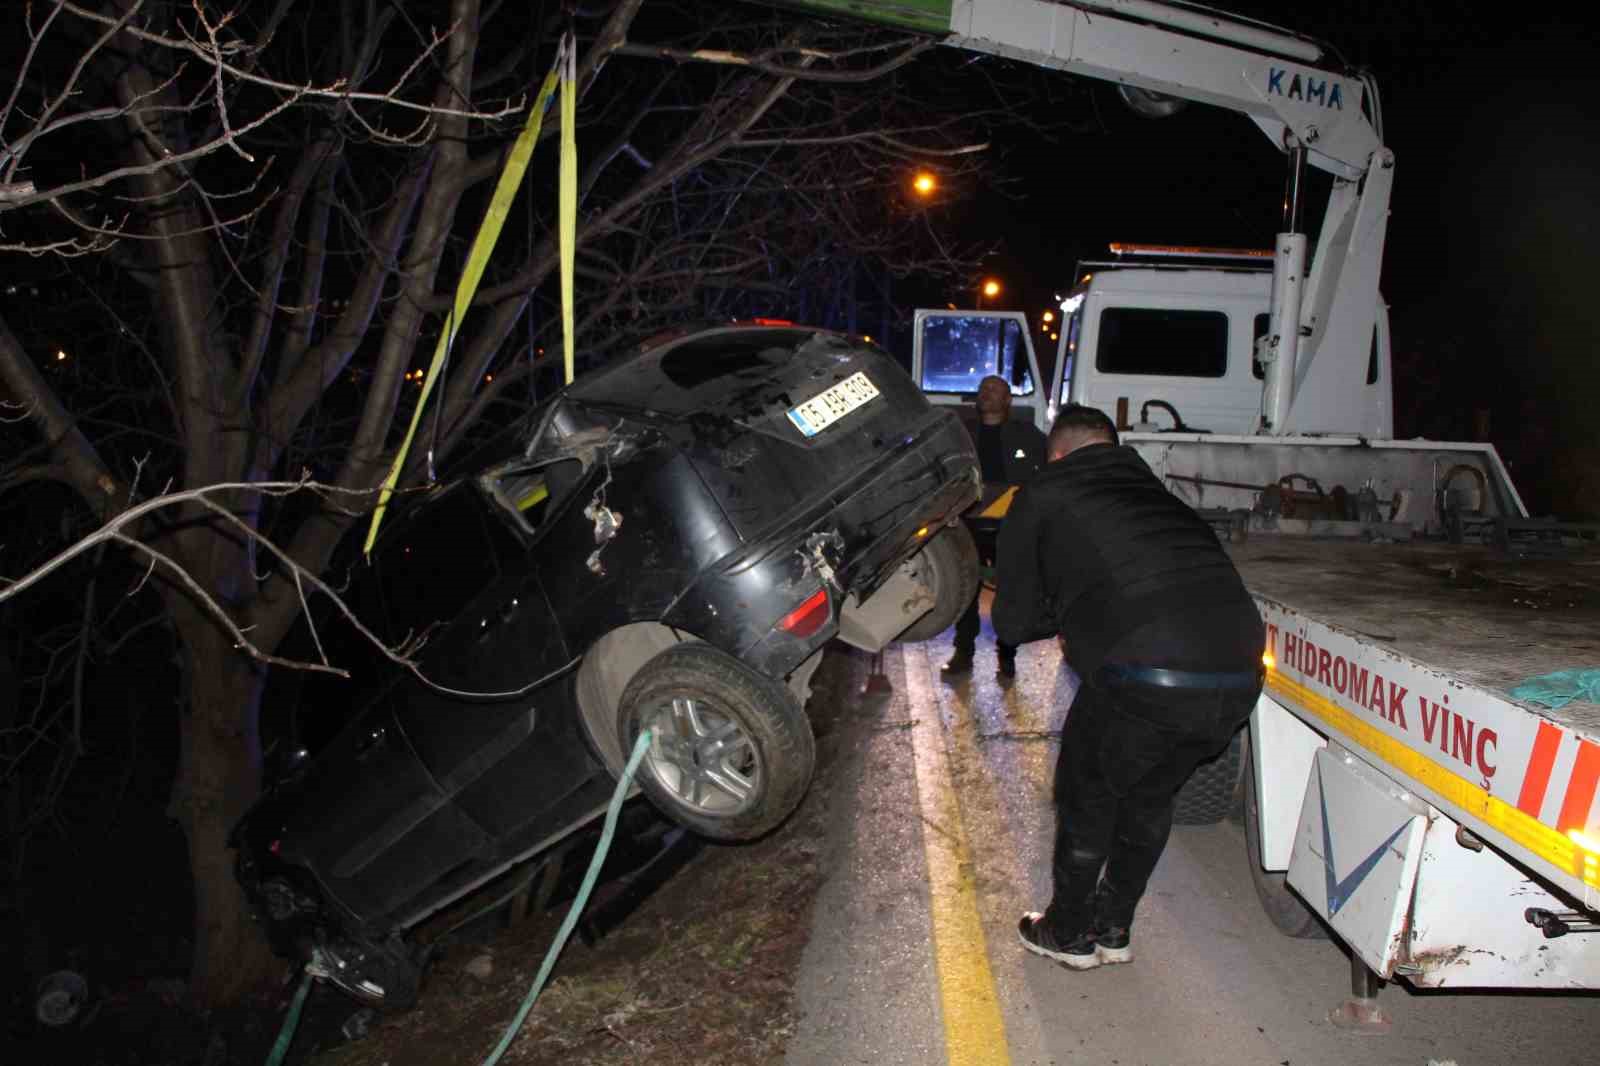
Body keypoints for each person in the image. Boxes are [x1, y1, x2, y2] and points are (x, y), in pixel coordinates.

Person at [991, 404, 1264, 970]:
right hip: (1237, 668)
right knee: (1148, 795)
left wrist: (1062, 614)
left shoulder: (1043, 494)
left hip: (1143, 669)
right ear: (1113, 447)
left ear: (1057, 454)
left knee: (1087, 792)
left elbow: (1014, 624)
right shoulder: (1159, 495)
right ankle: (1113, 929)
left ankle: (1068, 933)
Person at [943, 374, 1046, 680]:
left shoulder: (1027, 435)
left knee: (1010, 593)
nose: (986, 393)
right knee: (967, 592)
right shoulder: (960, 433)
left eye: (994, 389)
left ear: (1007, 400)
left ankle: (1008, 654)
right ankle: (963, 653)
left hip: (1010, 526)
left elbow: (1046, 471)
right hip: (967, 525)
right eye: (983, 389)